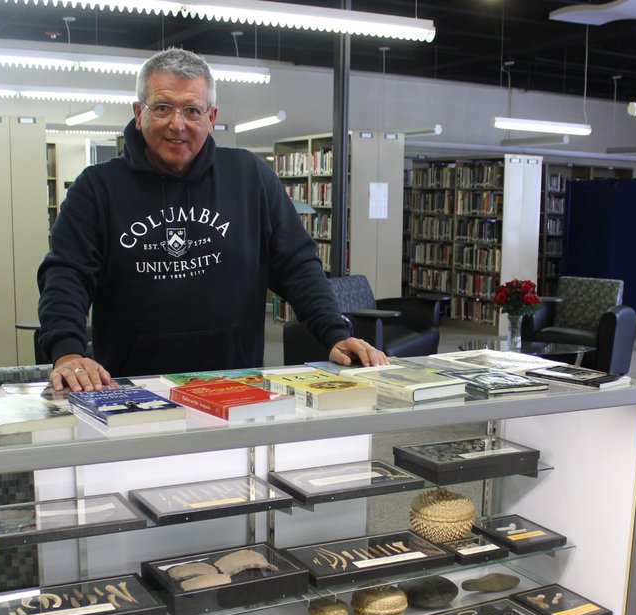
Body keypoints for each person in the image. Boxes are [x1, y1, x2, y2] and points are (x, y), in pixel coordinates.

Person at [37, 48, 386, 392]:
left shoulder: (250, 177)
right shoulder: (96, 188)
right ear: (138, 113)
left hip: (235, 383)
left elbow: (297, 265)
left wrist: (335, 333)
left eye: (192, 110)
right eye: (162, 108)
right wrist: (67, 352)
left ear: (211, 116)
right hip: (131, 389)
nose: (178, 124)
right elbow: (67, 274)